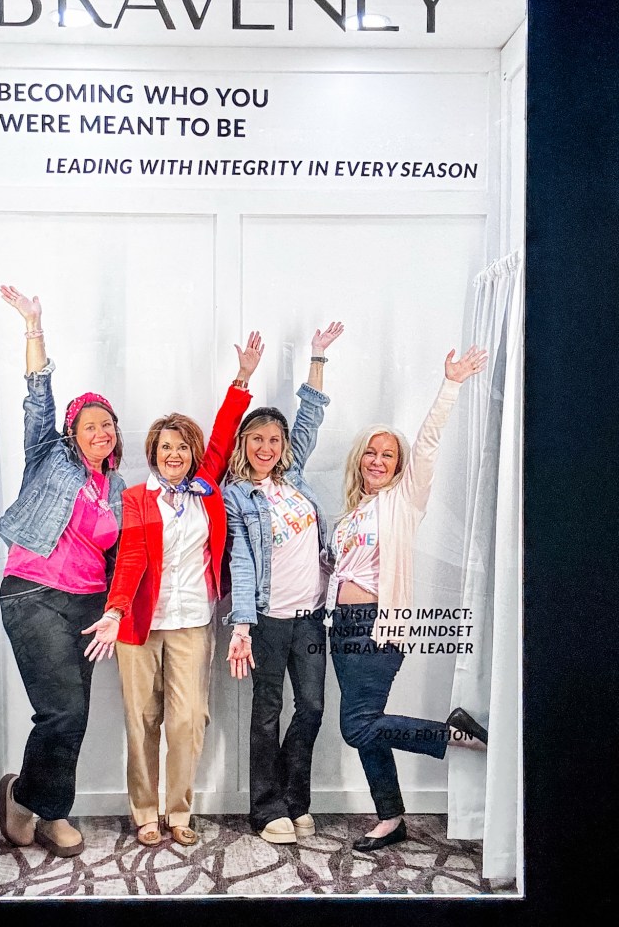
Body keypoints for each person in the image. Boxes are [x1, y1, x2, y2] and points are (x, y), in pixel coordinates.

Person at [82, 332, 264, 847]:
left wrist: (243, 378)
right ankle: (144, 811)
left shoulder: (207, 489)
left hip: (192, 622)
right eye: (166, 447)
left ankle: (178, 811)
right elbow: (133, 557)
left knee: (187, 720)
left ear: (192, 453)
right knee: (142, 721)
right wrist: (116, 611)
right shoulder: (138, 498)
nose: (175, 454)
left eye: (183, 447)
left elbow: (227, 434)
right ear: (153, 453)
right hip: (139, 626)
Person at [327, 345, 490, 853]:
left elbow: (427, 445)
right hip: (340, 627)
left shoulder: (403, 501)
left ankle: (455, 735)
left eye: (387, 455)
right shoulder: (353, 513)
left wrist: (451, 385)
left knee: (357, 726)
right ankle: (391, 817)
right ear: (361, 461)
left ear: (397, 467)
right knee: (369, 728)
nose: (379, 461)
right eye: (372, 453)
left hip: (376, 626)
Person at [0, 285, 127, 859]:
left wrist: (116, 611)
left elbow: (125, 557)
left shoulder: (118, 488)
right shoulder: (47, 457)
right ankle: (31, 798)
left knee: (75, 714)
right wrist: (33, 325)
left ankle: (43, 807)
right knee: (62, 709)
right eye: (91, 424)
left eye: (109, 425)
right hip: (33, 592)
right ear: (72, 432)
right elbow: (37, 399)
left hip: (89, 606)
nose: (102, 432)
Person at [222, 322, 345, 844]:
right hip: (270, 621)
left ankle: (296, 800)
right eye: (258, 440)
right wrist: (244, 625)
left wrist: (317, 356)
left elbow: (311, 417)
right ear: (244, 444)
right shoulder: (236, 496)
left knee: (313, 708)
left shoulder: (293, 480)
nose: (267, 447)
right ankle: (266, 808)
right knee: (268, 714)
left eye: (275, 439)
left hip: (312, 617)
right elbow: (243, 565)